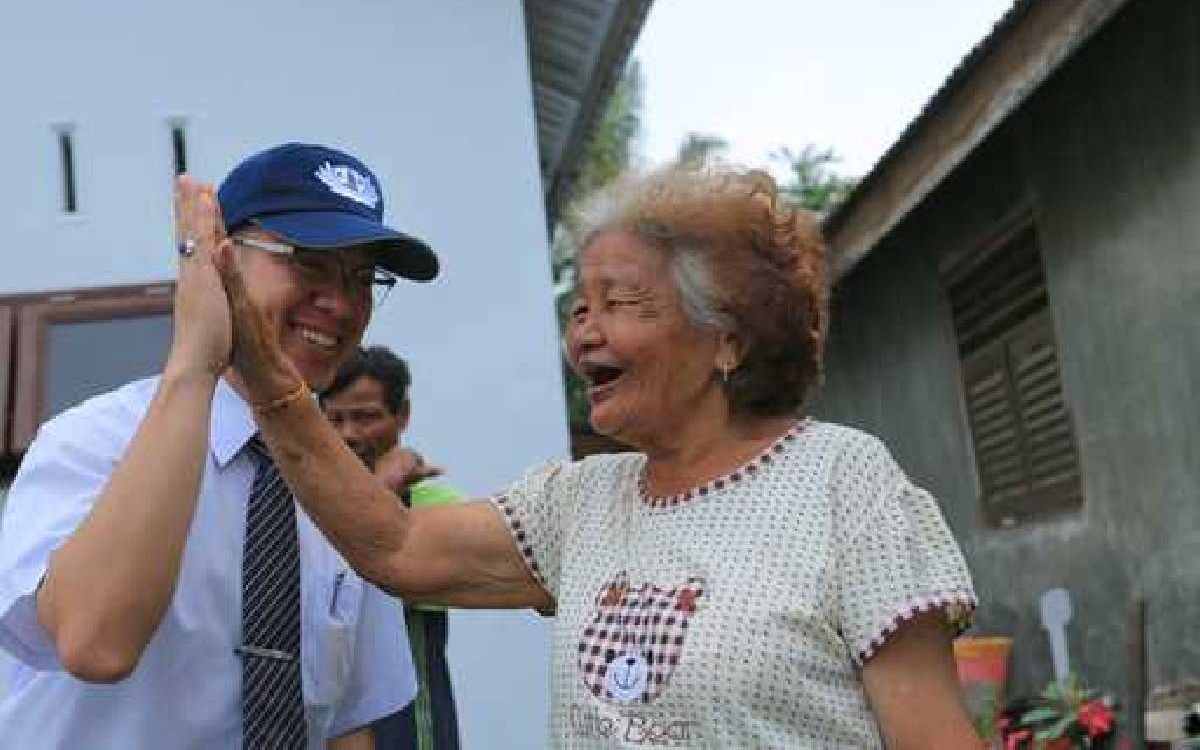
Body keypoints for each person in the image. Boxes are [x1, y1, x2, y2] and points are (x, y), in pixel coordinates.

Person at [203, 166, 984, 747]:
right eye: (579, 308)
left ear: (729, 339)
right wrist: (269, 371)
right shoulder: (581, 501)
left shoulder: (843, 480)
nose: (584, 334)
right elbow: (397, 545)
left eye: (621, 304)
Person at [0, 142, 440, 748]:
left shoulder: (344, 491)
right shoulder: (93, 441)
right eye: (309, 263)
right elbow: (95, 642)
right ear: (220, 258)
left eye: (361, 278)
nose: (341, 304)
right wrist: (195, 359)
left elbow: (348, 722)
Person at [321, 346, 465, 750]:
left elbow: (366, 570)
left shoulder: (436, 503)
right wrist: (380, 486)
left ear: (402, 415)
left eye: (366, 417)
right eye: (334, 419)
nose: (348, 434)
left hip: (411, 731)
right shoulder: (302, 507)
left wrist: (380, 493)